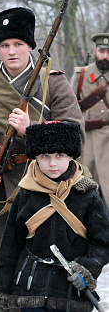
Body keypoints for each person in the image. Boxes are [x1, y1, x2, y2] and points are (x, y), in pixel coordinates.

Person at [0, 7, 85, 312]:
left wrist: (33, 132)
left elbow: (75, 139)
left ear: (30, 46)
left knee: (46, 281)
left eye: (18, 45)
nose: (11, 52)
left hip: (48, 193)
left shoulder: (54, 84)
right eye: (5, 46)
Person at [0, 120, 109, 312]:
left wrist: (86, 270)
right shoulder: (26, 193)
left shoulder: (87, 194)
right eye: (45, 156)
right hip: (31, 291)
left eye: (59, 155)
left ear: (71, 155)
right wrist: (3, 289)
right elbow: (11, 246)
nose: (52, 163)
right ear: (35, 157)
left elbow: (103, 242)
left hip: (72, 293)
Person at [70, 33, 109, 205]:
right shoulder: (81, 75)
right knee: (83, 187)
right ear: (95, 50)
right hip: (86, 140)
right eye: (101, 51)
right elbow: (69, 110)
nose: (105, 56)